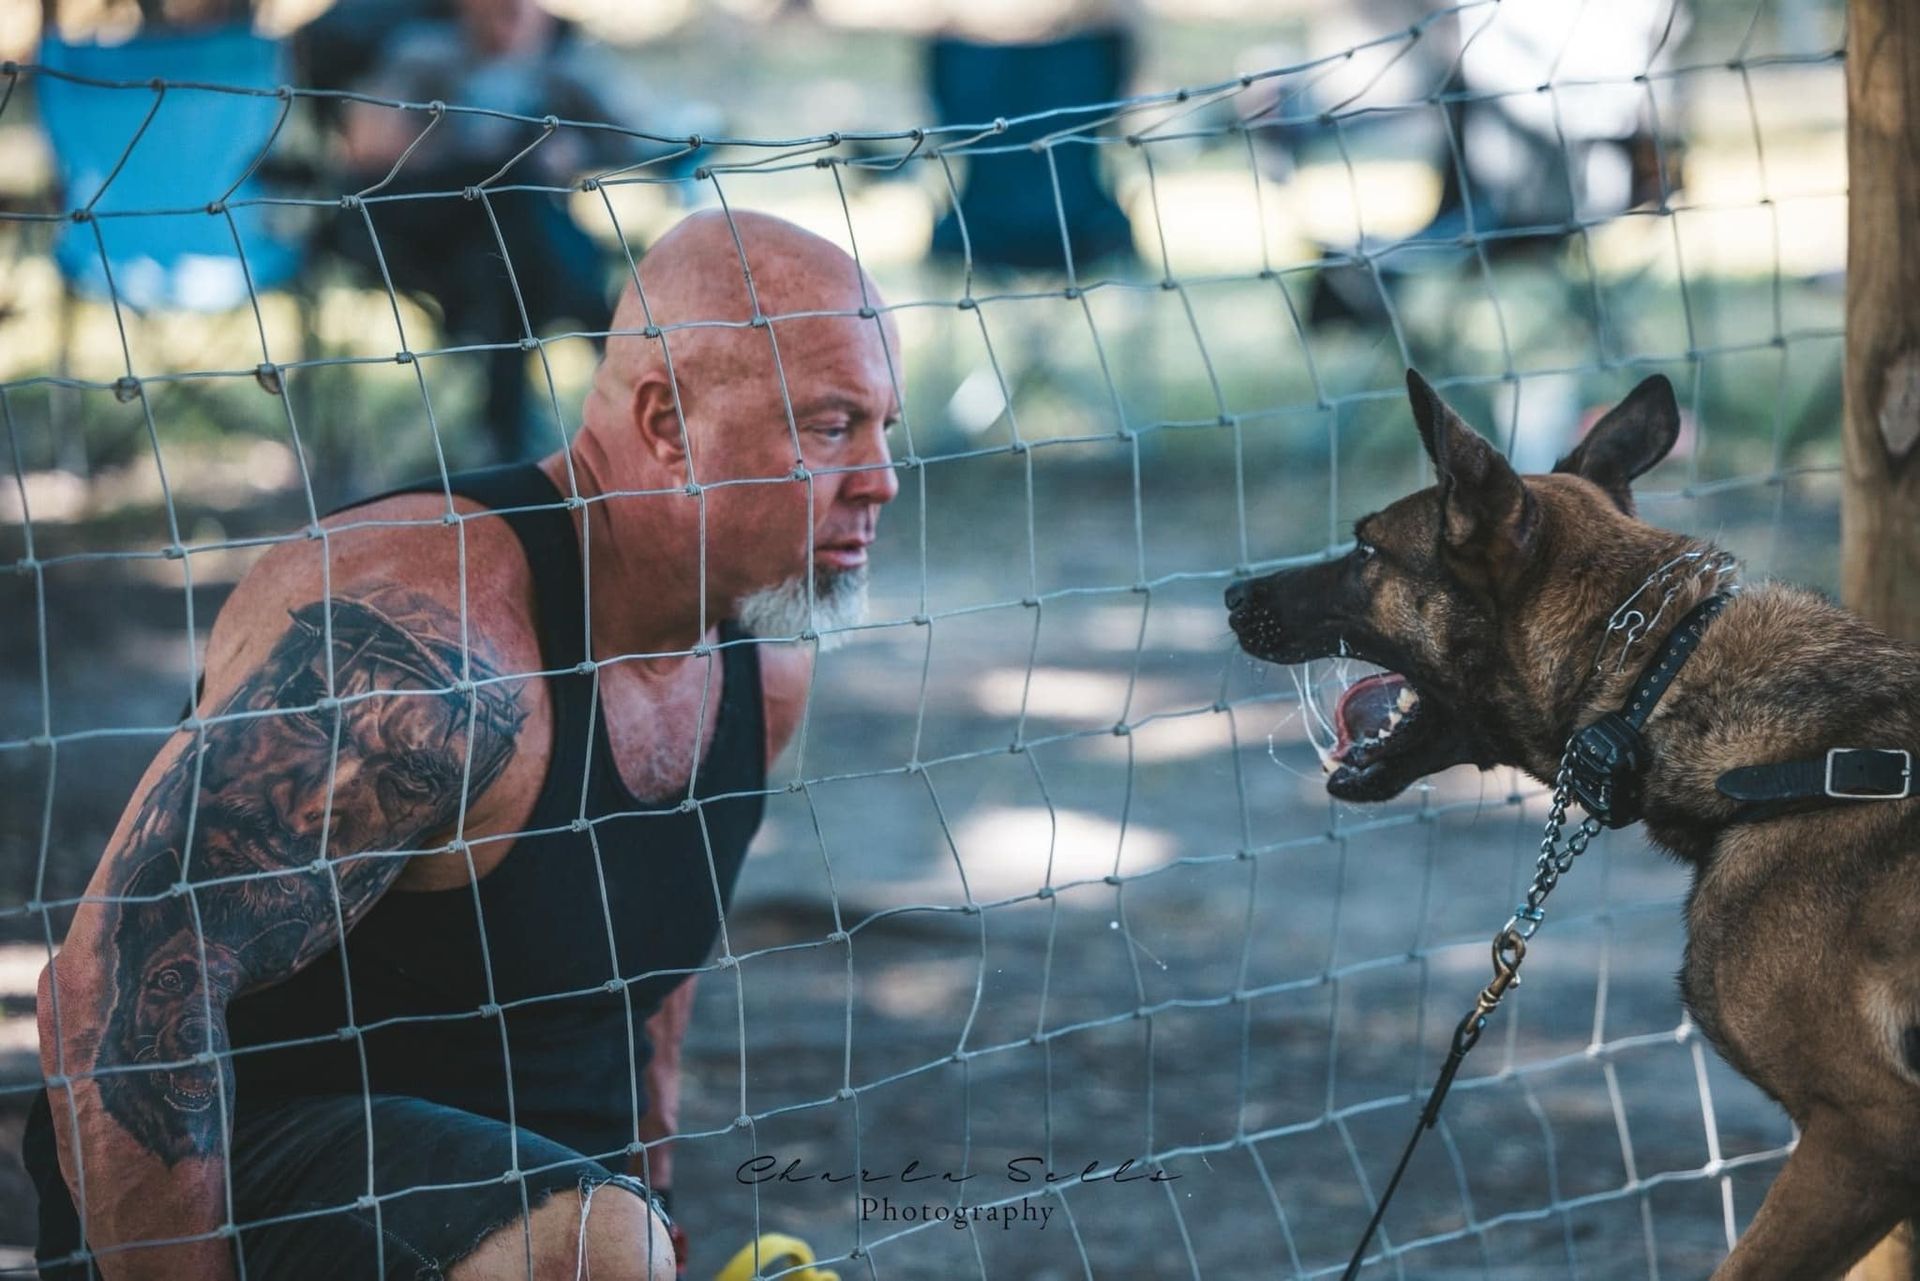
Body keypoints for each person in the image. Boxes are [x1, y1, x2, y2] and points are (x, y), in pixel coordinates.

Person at [23, 210, 902, 1280]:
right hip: (237, 1199)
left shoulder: (762, 665)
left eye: (884, 427)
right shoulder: (437, 652)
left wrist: (653, 1195)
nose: (882, 477)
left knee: (620, 1236)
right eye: (831, 427)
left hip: (558, 1226)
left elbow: (645, 983)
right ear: (667, 421)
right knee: (599, 1240)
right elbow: (108, 991)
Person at [328, 0, 701, 463]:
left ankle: (510, 439)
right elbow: (370, 151)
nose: (511, 13)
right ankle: (620, 367)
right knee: (520, 217)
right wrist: (485, 152)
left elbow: (633, 137)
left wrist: (569, 149)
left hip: (515, 253)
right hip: (434, 238)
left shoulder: (560, 67)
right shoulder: (425, 56)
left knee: (519, 248)